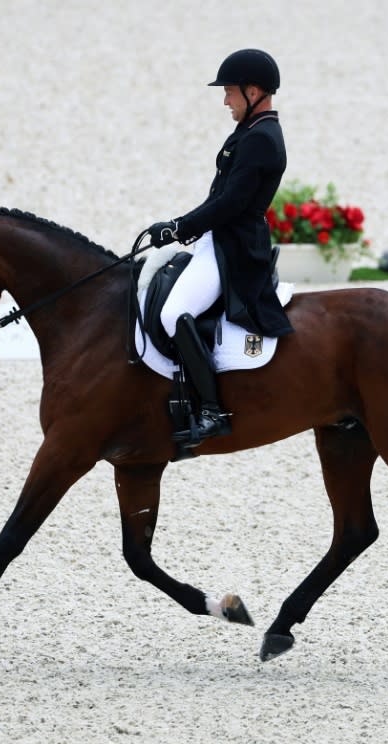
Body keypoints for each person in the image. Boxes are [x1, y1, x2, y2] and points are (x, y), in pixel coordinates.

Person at [148, 48, 293, 448]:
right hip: (219, 238)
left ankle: (211, 410)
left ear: (253, 91)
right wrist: (181, 227)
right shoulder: (250, 130)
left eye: (229, 91)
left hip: (233, 246)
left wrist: (180, 227)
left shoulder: (262, 138)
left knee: (175, 312)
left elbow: (230, 204)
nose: (225, 100)